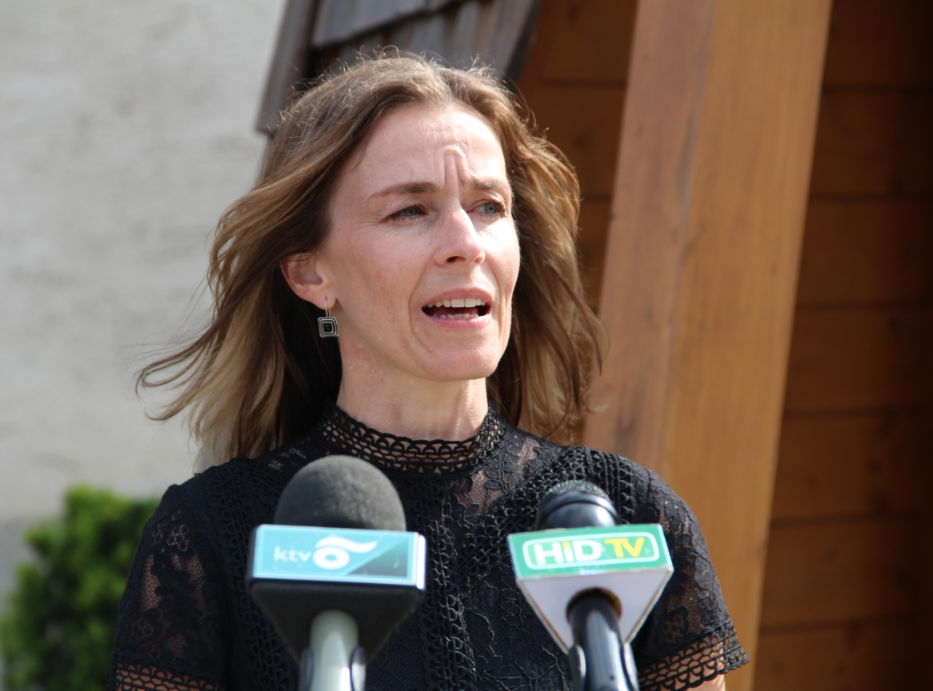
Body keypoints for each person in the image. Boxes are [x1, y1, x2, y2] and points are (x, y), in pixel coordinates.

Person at [110, 53, 748, 690]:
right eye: (410, 211)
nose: (466, 243)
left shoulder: (628, 516)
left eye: (489, 206)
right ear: (310, 272)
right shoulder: (209, 536)